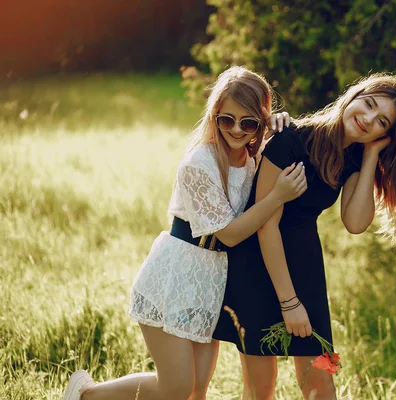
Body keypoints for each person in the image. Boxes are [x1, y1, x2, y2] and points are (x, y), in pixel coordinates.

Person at [62, 66, 307, 400]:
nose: (236, 129)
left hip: (209, 283)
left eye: (248, 122)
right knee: (176, 387)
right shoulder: (200, 163)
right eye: (227, 119)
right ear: (215, 116)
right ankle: (86, 395)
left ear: (259, 123)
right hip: (174, 276)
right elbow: (231, 235)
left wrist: (280, 125)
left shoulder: (250, 156)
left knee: (196, 391)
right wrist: (278, 195)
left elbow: (269, 138)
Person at [213, 72, 396, 400]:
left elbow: (355, 223)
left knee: (321, 384)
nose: (368, 119)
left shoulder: (354, 156)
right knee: (260, 390)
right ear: (353, 96)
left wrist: (369, 157)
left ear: (387, 134)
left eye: (382, 121)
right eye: (367, 105)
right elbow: (266, 224)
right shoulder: (291, 140)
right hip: (259, 266)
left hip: (305, 270)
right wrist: (289, 302)